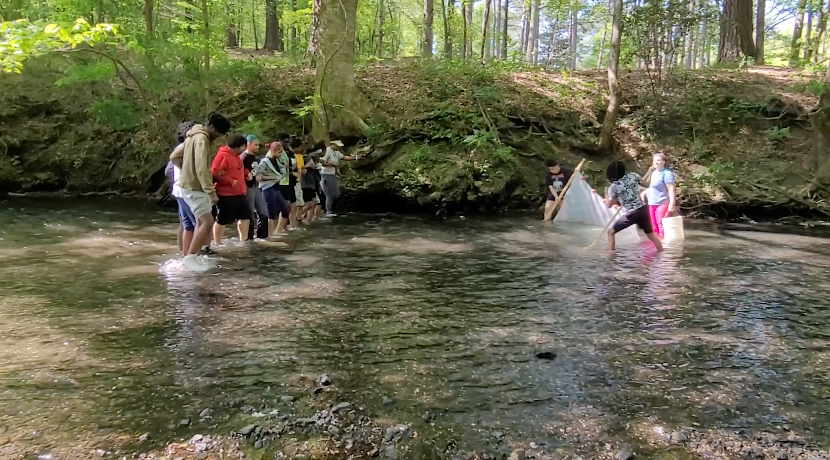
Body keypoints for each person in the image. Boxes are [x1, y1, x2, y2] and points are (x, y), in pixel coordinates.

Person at [170, 112, 231, 272]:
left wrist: (185, 171)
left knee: (198, 222)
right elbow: (202, 168)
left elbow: (174, 157)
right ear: (211, 127)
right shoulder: (202, 139)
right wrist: (211, 192)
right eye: (218, 133)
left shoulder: (191, 136)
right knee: (207, 222)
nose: (218, 137)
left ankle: (193, 257)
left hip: (187, 186)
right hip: (194, 188)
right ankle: (190, 258)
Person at [604, 161, 663, 252]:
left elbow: (609, 205)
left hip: (631, 213)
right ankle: (662, 252)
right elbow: (647, 184)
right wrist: (650, 172)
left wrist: (606, 194)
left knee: (611, 232)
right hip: (643, 209)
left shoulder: (614, 187)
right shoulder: (633, 176)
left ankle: (611, 257)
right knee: (651, 235)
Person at [210, 134, 252, 245]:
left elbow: (238, 169)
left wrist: (246, 173)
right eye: (244, 146)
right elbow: (215, 173)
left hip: (239, 192)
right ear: (240, 146)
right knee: (222, 219)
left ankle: (243, 241)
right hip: (226, 194)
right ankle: (217, 242)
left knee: (245, 216)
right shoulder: (223, 156)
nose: (245, 149)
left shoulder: (236, 156)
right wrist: (230, 181)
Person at [255, 141, 291, 238]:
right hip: (267, 188)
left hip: (275, 187)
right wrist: (271, 177)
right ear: (273, 151)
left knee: (285, 209)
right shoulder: (265, 161)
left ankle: (277, 230)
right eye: (279, 152)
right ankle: (270, 234)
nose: (281, 155)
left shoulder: (278, 161)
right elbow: (258, 176)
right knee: (271, 212)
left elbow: (281, 172)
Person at [640, 152, 677, 238]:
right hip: (651, 202)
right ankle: (657, 245)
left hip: (662, 203)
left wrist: (672, 203)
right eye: (654, 160)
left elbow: (671, 189)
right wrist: (645, 192)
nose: (656, 162)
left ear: (664, 161)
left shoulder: (667, 173)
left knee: (661, 225)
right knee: (653, 225)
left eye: (659, 160)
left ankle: (663, 245)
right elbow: (652, 187)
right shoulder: (654, 173)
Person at [319, 139, 357, 217]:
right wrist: (331, 165)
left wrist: (355, 158)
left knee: (336, 194)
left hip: (332, 174)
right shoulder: (328, 151)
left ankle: (333, 209)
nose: (338, 147)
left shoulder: (336, 152)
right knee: (329, 194)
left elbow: (344, 157)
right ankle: (328, 211)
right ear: (333, 144)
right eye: (337, 146)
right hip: (326, 174)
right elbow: (321, 161)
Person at [241, 135, 269, 239]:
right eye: (255, 145)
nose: (257, 147)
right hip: (248, 186)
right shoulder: (244, 156)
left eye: (258, 145)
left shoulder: (254, 157)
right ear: (249, 144)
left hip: (256, 185)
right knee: (250, 212)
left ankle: (263, 236)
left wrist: (259, 175)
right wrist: (246, 174)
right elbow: (239, 168)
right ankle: (249, 237)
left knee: (263, 211)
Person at [300, 145, 322, 222]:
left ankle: (307, 219)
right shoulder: (307, 160)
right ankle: (298, 216)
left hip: (311, 184)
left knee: (313, 203)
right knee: (310, 204)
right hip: (306, 184)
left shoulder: (314, 161)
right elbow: (302, 170)